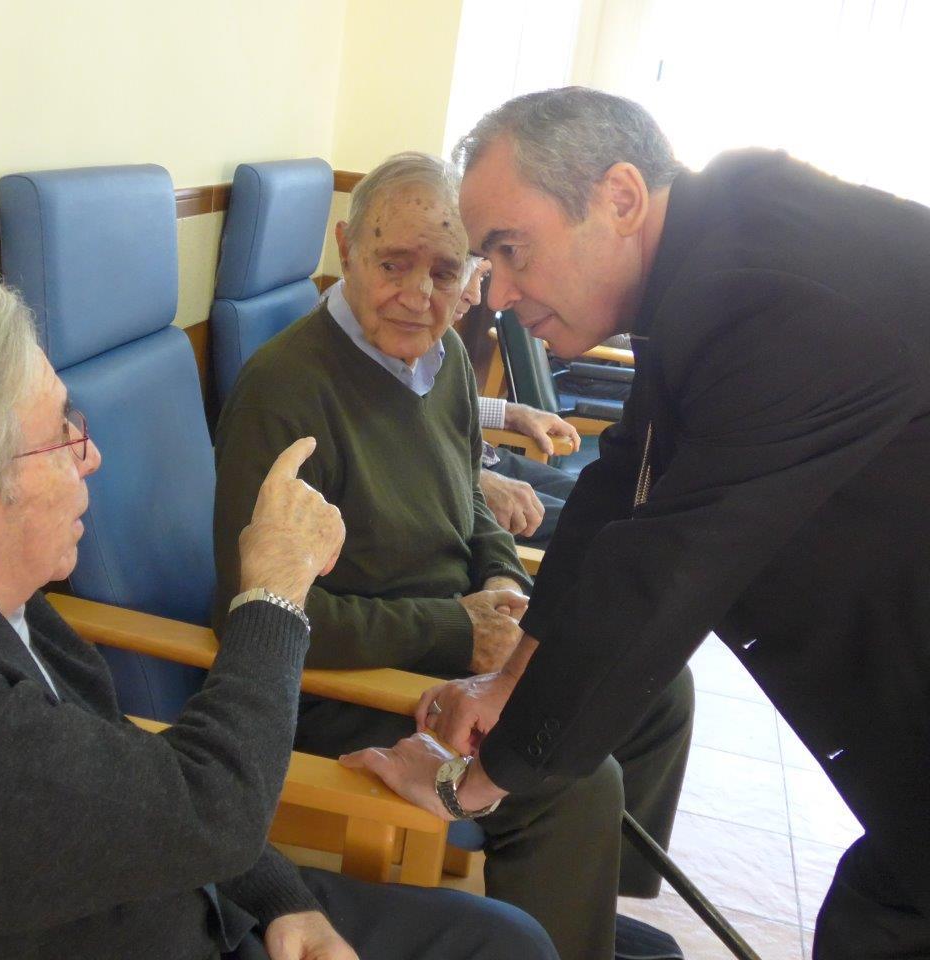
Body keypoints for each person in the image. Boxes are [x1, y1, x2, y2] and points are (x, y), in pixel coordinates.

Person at [0, 279, 558, 960]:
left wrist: (285, 901)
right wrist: (276, 591)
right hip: (148, 897)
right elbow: (206, 810)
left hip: (175, 886)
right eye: (62, 432)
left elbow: (120, 762)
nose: (91, 454)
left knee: (505, 942)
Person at [341, 87, 930, 959]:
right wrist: (508, 686)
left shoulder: (764, 295)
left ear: (617, 197)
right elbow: (625, 486)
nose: (493, 292)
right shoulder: (717, 246)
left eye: (510, 248)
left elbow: (665, 578)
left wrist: (473, 784)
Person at [213, 153, 693, 960]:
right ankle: (564, 916)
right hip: (344, 685)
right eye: (391, 263)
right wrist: (455, 635)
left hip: (449, 648)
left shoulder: (443, 363)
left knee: (658, 688)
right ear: (345, 247)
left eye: (444, 270)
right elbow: (257, 612)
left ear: (472, 273)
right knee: (575, 780)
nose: (417, 294)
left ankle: (584, 908)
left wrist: (504, 578)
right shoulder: (284, 389)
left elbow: (467, 499)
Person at [455, 256, 580, 544]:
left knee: (595, 498)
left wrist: (510, 412)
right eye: (459, 272)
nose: (476, 296)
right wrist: (471, 481)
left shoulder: (440, 340)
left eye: (481, 275)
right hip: (453, 481)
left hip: (477, 457)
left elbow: (444, 404)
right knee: (590, 529)